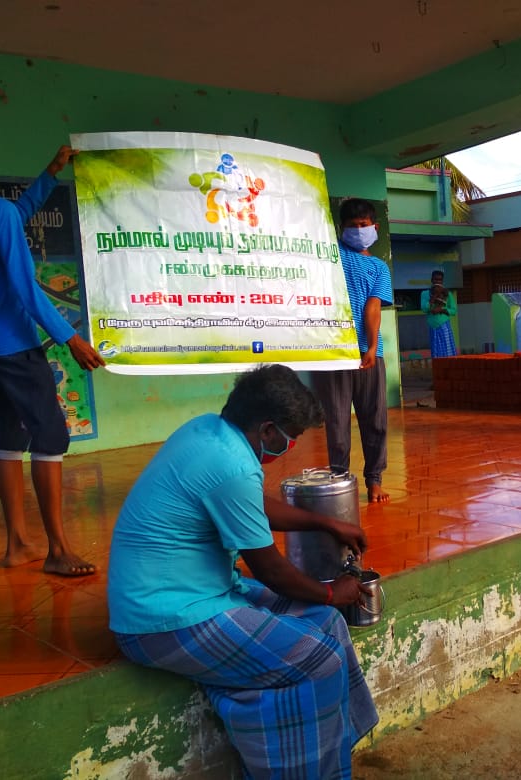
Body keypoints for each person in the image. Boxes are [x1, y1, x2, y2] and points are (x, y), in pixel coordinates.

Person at [107, 364, 379, 779]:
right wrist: (331, 593)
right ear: (268, 430)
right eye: (291, 437)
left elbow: (250, 503)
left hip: (204, 592)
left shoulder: (207, 431)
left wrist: (324, 523)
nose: (290, 447)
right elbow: (271, 570)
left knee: (327, 624)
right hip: (163, 620)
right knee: (321, 659)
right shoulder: (231, 464)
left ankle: (336, 750)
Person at [0, 125, 105, 577]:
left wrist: (51, 173)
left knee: (9, 437)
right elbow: (25, 287)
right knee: (50, 437)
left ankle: (17, 545)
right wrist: (70, 338)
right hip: (14, 345)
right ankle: (58, 550)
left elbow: (12, 215)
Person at [313, 198, 394, 503]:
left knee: (375, 419)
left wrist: (371, 346)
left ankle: (374, 480)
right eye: (352, 226)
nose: (359, 230)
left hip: (369, 353)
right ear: (341, 229)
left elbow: (373, 307)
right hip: (334, 351)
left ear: (375, 227)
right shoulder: (329, 255)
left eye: (364, 225)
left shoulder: (379, 267)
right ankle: (340, 480)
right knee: (337, 421)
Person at [420, 269, 458, 358]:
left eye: (440, 280)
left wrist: (441, 310)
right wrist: (434, 297)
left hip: (444, 326)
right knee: (436, 353)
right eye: (435, 279)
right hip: (432, 327)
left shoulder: (447, 294)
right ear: (431, 280)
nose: (437, 282)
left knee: (448, 352)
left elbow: (453, 310)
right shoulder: (425, 294)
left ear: (442, 281)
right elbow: (424, 309)